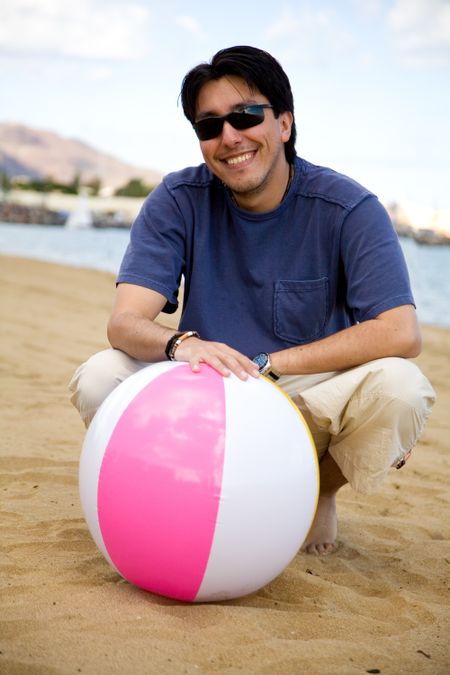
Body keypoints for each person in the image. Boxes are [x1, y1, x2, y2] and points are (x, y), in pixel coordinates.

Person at [69, 45, 435, 555]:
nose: (230, 137)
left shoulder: (349, 208)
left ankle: (319, 490)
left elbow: (400, 331)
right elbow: (125, 323)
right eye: (209, 125)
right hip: (203, 393)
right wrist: (182, 345)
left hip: (299, 397)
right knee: (100, 376)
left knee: (401, 388)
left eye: (246, 116)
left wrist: (267, 364)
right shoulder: (177, 200)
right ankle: (184, 491)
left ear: (284, 123)